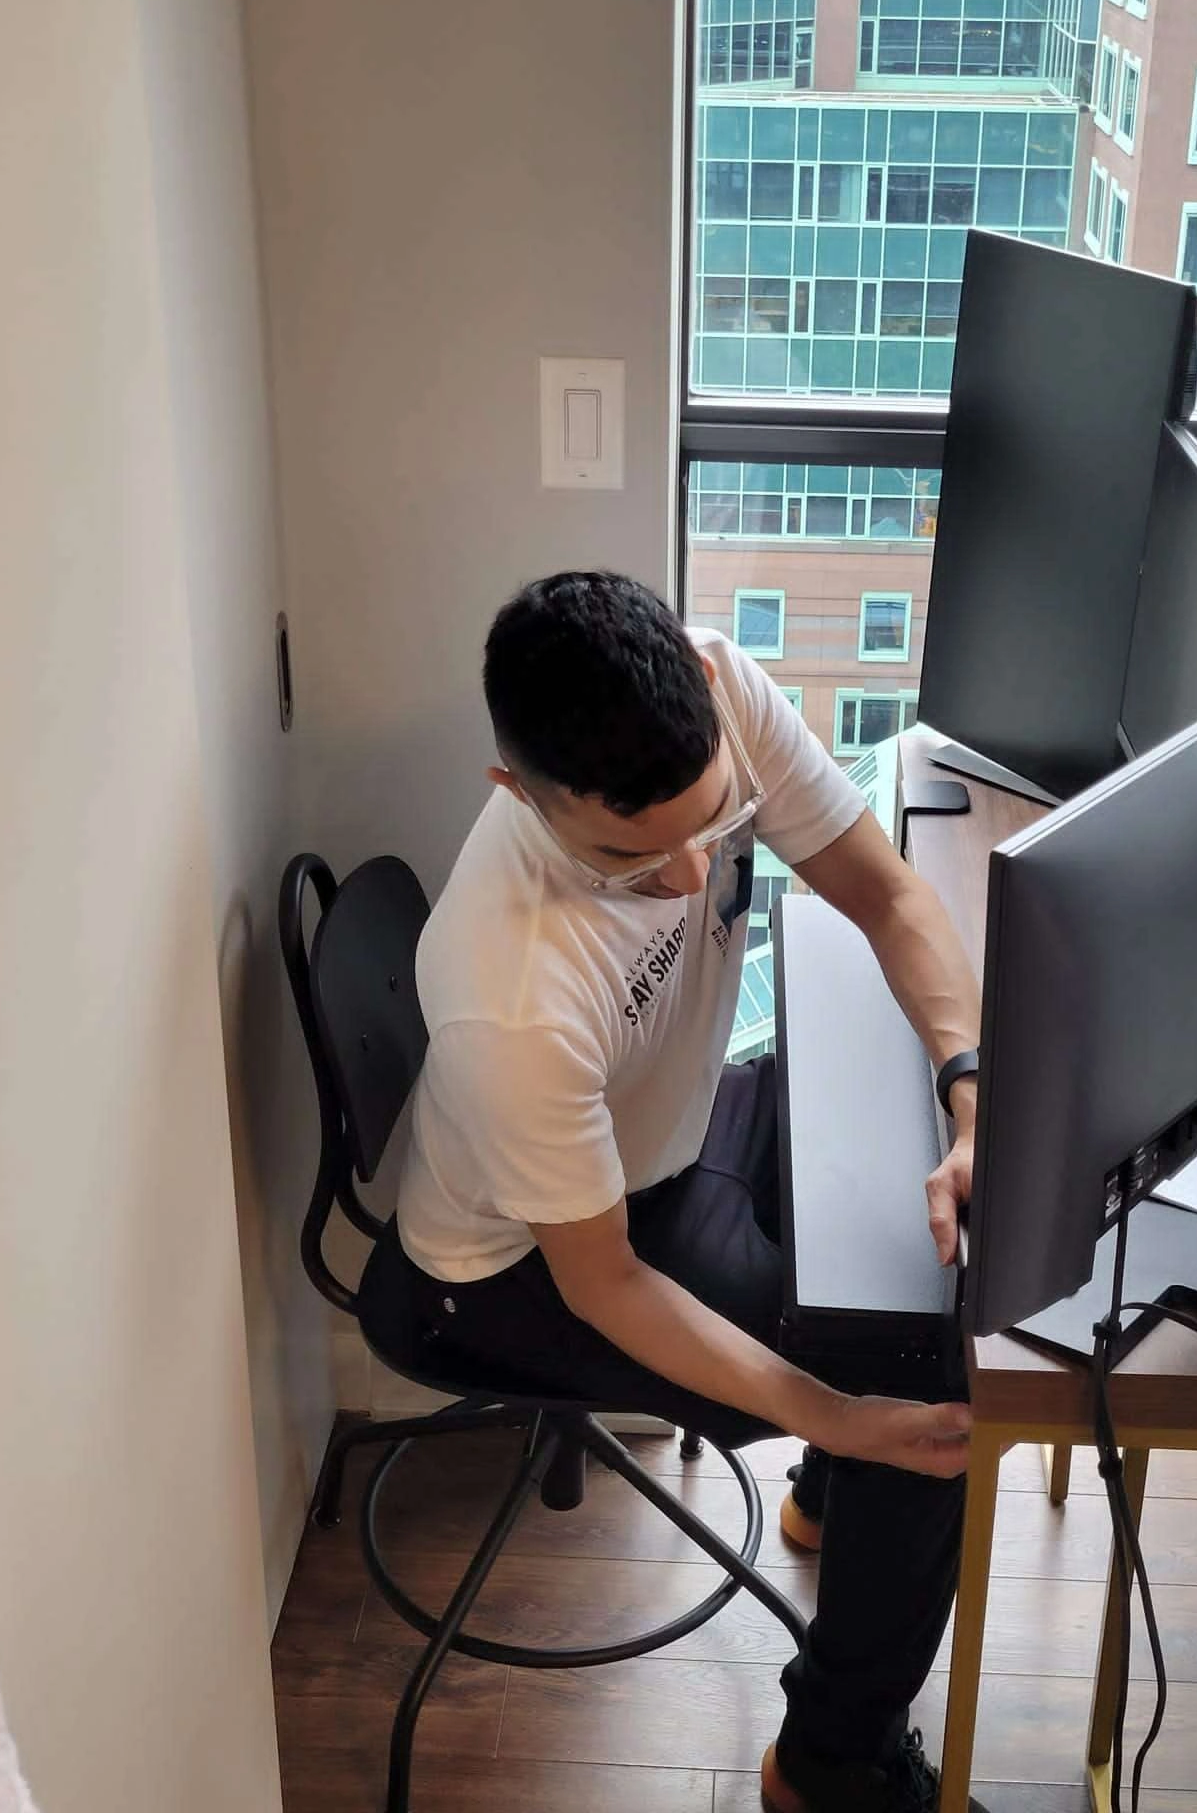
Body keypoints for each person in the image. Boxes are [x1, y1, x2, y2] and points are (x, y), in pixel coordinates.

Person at [385, 571, 988, 1813]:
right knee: (921, 1395)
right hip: (519, 1269)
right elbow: (604, 1282)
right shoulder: (510, 992)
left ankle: (833, 1504)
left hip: (669, 1131)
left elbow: (885, 892)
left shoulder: (722, 684)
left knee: (897, 1196)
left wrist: (970, 1087)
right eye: (628, 857)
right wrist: (838, 1415)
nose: (685, 875)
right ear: (518, 792)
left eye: (711, 825)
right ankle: (828, 1765)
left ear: (709, 690)